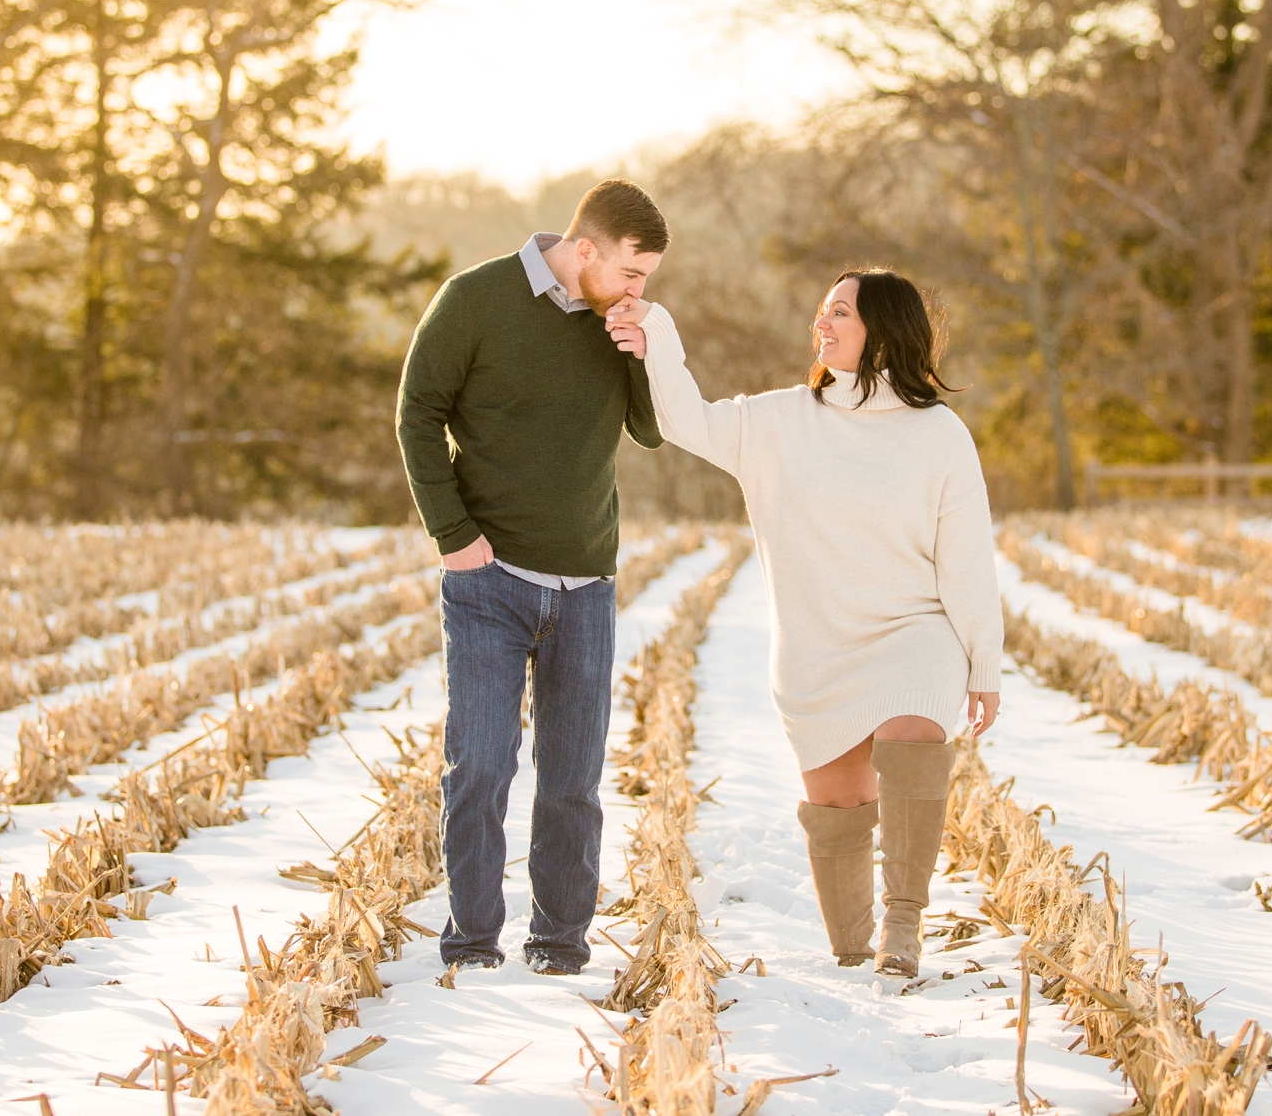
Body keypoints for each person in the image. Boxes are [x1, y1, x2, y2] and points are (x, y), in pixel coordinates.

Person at [603, 269, 1002, 977]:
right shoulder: (778, 420)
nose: (822, 323)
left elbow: (968, 560)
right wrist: (656, 334)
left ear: (882, 330)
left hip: (915, 633)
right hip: (818, 648)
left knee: (911, 735)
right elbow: (684, 419)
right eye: (823, 311)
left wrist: (983, 664)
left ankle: (904, 923)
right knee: (839, 798)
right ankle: (854, 951)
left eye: (839, 312)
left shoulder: (940, 433)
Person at [396, 179, 669, 975]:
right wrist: (455, 535)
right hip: (490, 582)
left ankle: (558, 946)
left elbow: (648, 432)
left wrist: (642, 351)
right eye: (630, 272)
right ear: (585, 249)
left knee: (573, 783)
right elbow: (418, 411)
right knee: (480, 765)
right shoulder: (475, 299)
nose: (638, 291)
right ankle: (473, 943)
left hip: (586, 584)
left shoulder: (619, 322)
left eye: (646, 279)